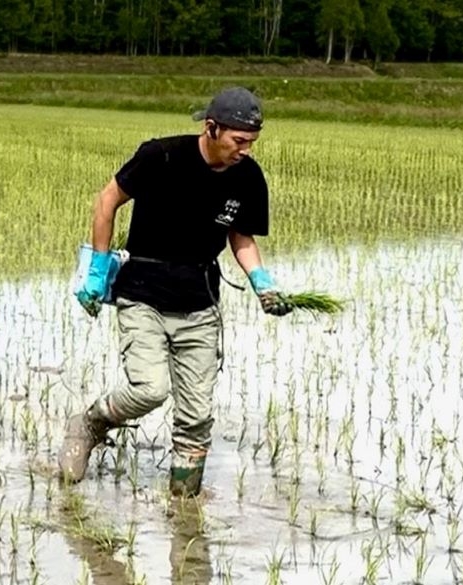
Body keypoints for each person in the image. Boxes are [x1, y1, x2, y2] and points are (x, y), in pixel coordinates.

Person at [61, 86, 294, 498]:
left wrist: (262, 282)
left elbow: (241, 236)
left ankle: (185, 512)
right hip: (143, 295)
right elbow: (107, 199)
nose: (245, 151)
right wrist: (97, 269)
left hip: (200, 303)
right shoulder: (161, 157)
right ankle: (90, 424)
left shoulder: (248, 178)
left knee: (196, 418)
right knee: (149, 388)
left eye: (252, 143)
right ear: (211, 127)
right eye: (238, 141)